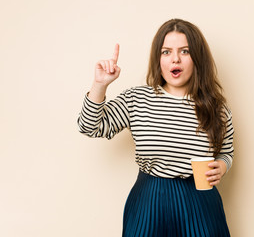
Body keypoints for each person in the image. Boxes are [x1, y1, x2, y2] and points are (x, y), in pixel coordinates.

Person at [78, 18, 234, 237]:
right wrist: (99, 85)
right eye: (166, 52)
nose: (175, 59)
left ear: (197, 58)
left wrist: (222, 165)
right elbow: (89, 126)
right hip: (149, 200)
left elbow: (226, 152)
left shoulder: (216, 108)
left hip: (200, 201)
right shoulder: (137, 99)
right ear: (158, 58)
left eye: (185, 51)